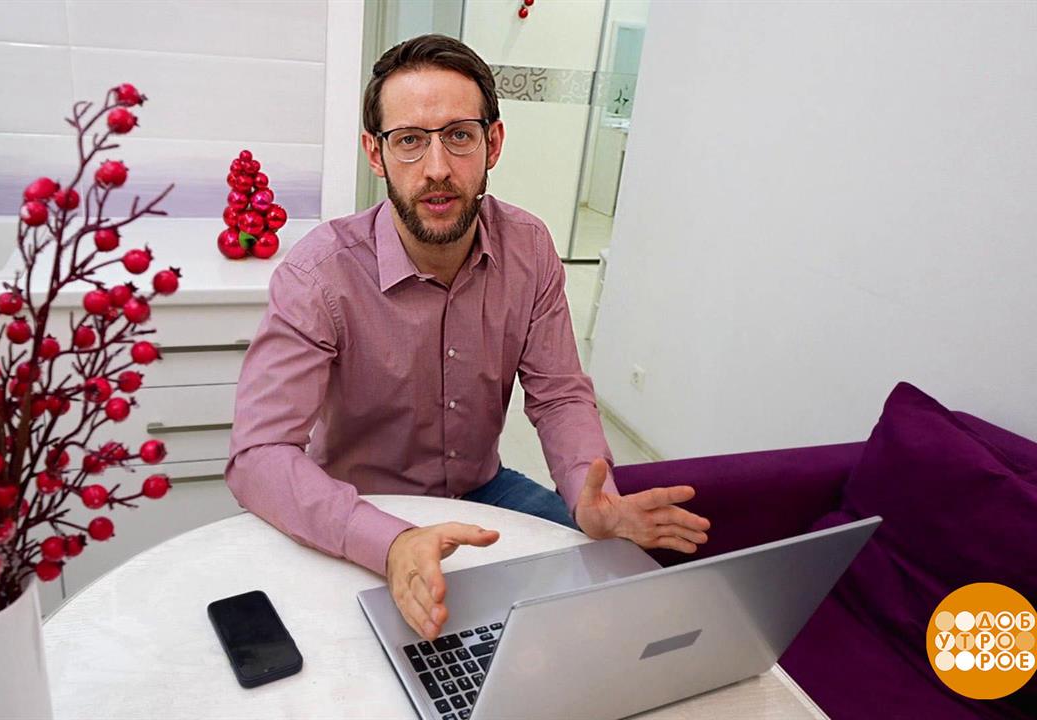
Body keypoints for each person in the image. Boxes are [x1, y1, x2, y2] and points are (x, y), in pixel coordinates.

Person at [226, 34, 710, 642]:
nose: (436, 168)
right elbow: (258, 456)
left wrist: (590, 494)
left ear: (493, 143)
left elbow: (559, 394)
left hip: (485, 490)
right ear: (376, 154)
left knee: (626, 608)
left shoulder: (529, 247)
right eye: (409, 140)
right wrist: (389, 541)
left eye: (458, 135)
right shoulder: (319, 274)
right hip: (361, 503)